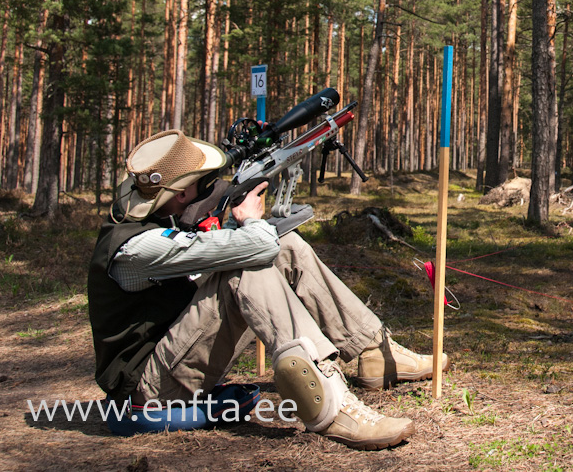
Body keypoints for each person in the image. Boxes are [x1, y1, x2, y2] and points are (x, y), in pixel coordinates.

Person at [88, 129, 447, 451]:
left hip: (171, 362)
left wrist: (235, 226)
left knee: (285, 244)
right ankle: (332, 408)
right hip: (149, 391)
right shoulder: (138, 248)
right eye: (204, 180)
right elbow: (252, 248)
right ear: (183, 194)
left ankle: (370, 349)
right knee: (247, 269)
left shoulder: (156, 222)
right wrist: (250, 219)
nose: (210, 185)